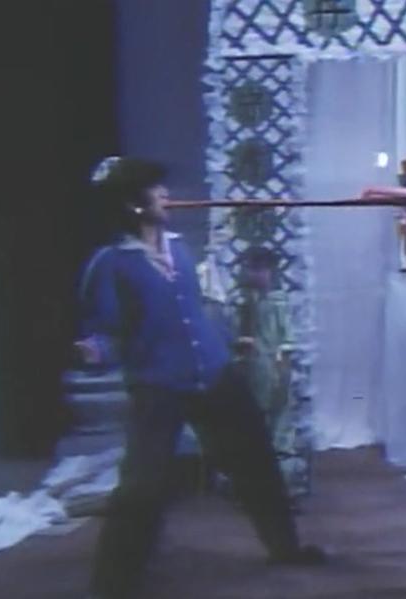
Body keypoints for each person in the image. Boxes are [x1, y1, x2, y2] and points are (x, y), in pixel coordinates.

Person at [75, 156, 324, 599]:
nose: (165, 194)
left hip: (213, 372)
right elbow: (105, 329)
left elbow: (194, 314)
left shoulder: (179, 250)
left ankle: (284, 547)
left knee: (256, 461)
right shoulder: (111, 263)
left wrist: (228, 342)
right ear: (132, 203)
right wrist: (96, 349)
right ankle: (112, 585)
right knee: (143, 487)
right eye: (155, 189)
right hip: (159, 384)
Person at [233, 245, 294, 462]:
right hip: (246, 361)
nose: (256, 274)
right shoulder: (239, 300)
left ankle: (279, 448)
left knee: (278, 404)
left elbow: (286, 334)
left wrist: (283, 357)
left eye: (261, 269)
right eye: (251, 269)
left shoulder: (278, 301)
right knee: (249, 406)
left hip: (271, 361)